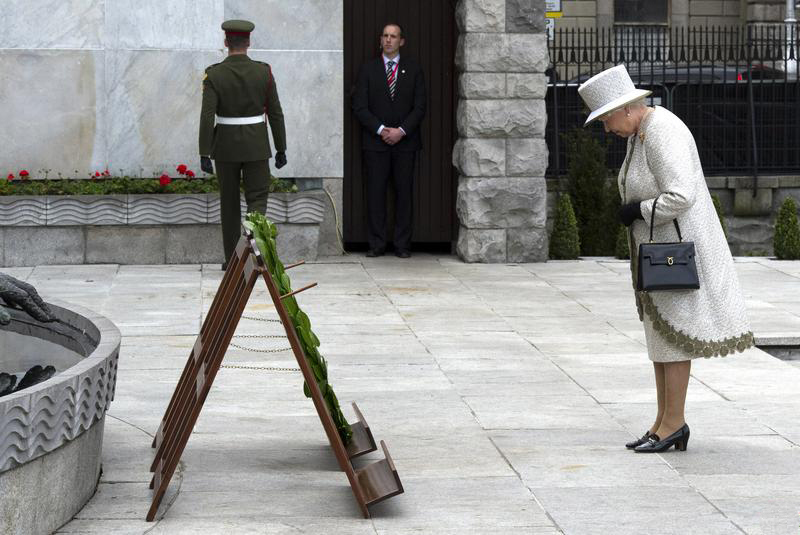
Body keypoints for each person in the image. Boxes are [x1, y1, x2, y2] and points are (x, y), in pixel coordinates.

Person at [578, 65, 754, 453]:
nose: (606, 128)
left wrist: (638, 210)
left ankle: (673, 423)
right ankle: (663, 421)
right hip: (656, 251)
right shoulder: (640, 133)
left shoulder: (662, 130)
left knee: (674, 339)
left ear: (625, 108)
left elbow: (681, 194)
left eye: (606, 119)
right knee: (661, 338)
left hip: (674, 253)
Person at [199, 19, 287, 269]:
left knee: (229, 203)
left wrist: (204, 151)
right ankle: (254, 256)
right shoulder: (264, 72)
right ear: (248, 42)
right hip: (256, 145)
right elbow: (276, 113)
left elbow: (207, 116)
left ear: (226, 42)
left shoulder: (214, 74)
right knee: (257, 201)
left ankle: (232, 261)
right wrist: (281, 147)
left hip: (225, 146)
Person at [352, 22, 427, 258]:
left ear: (401, 41)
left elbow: (420, 106)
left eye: (393, 36)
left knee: (404, 195)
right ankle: (377, 244)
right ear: (380, 40)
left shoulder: (414, 70)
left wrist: (401, 131)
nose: (388, 40)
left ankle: (402, 245)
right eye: (384, 35)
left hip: (406, 143)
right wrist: (382, 129)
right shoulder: (368, 69)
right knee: (375, 194)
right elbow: (359, 106)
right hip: (376, 144)